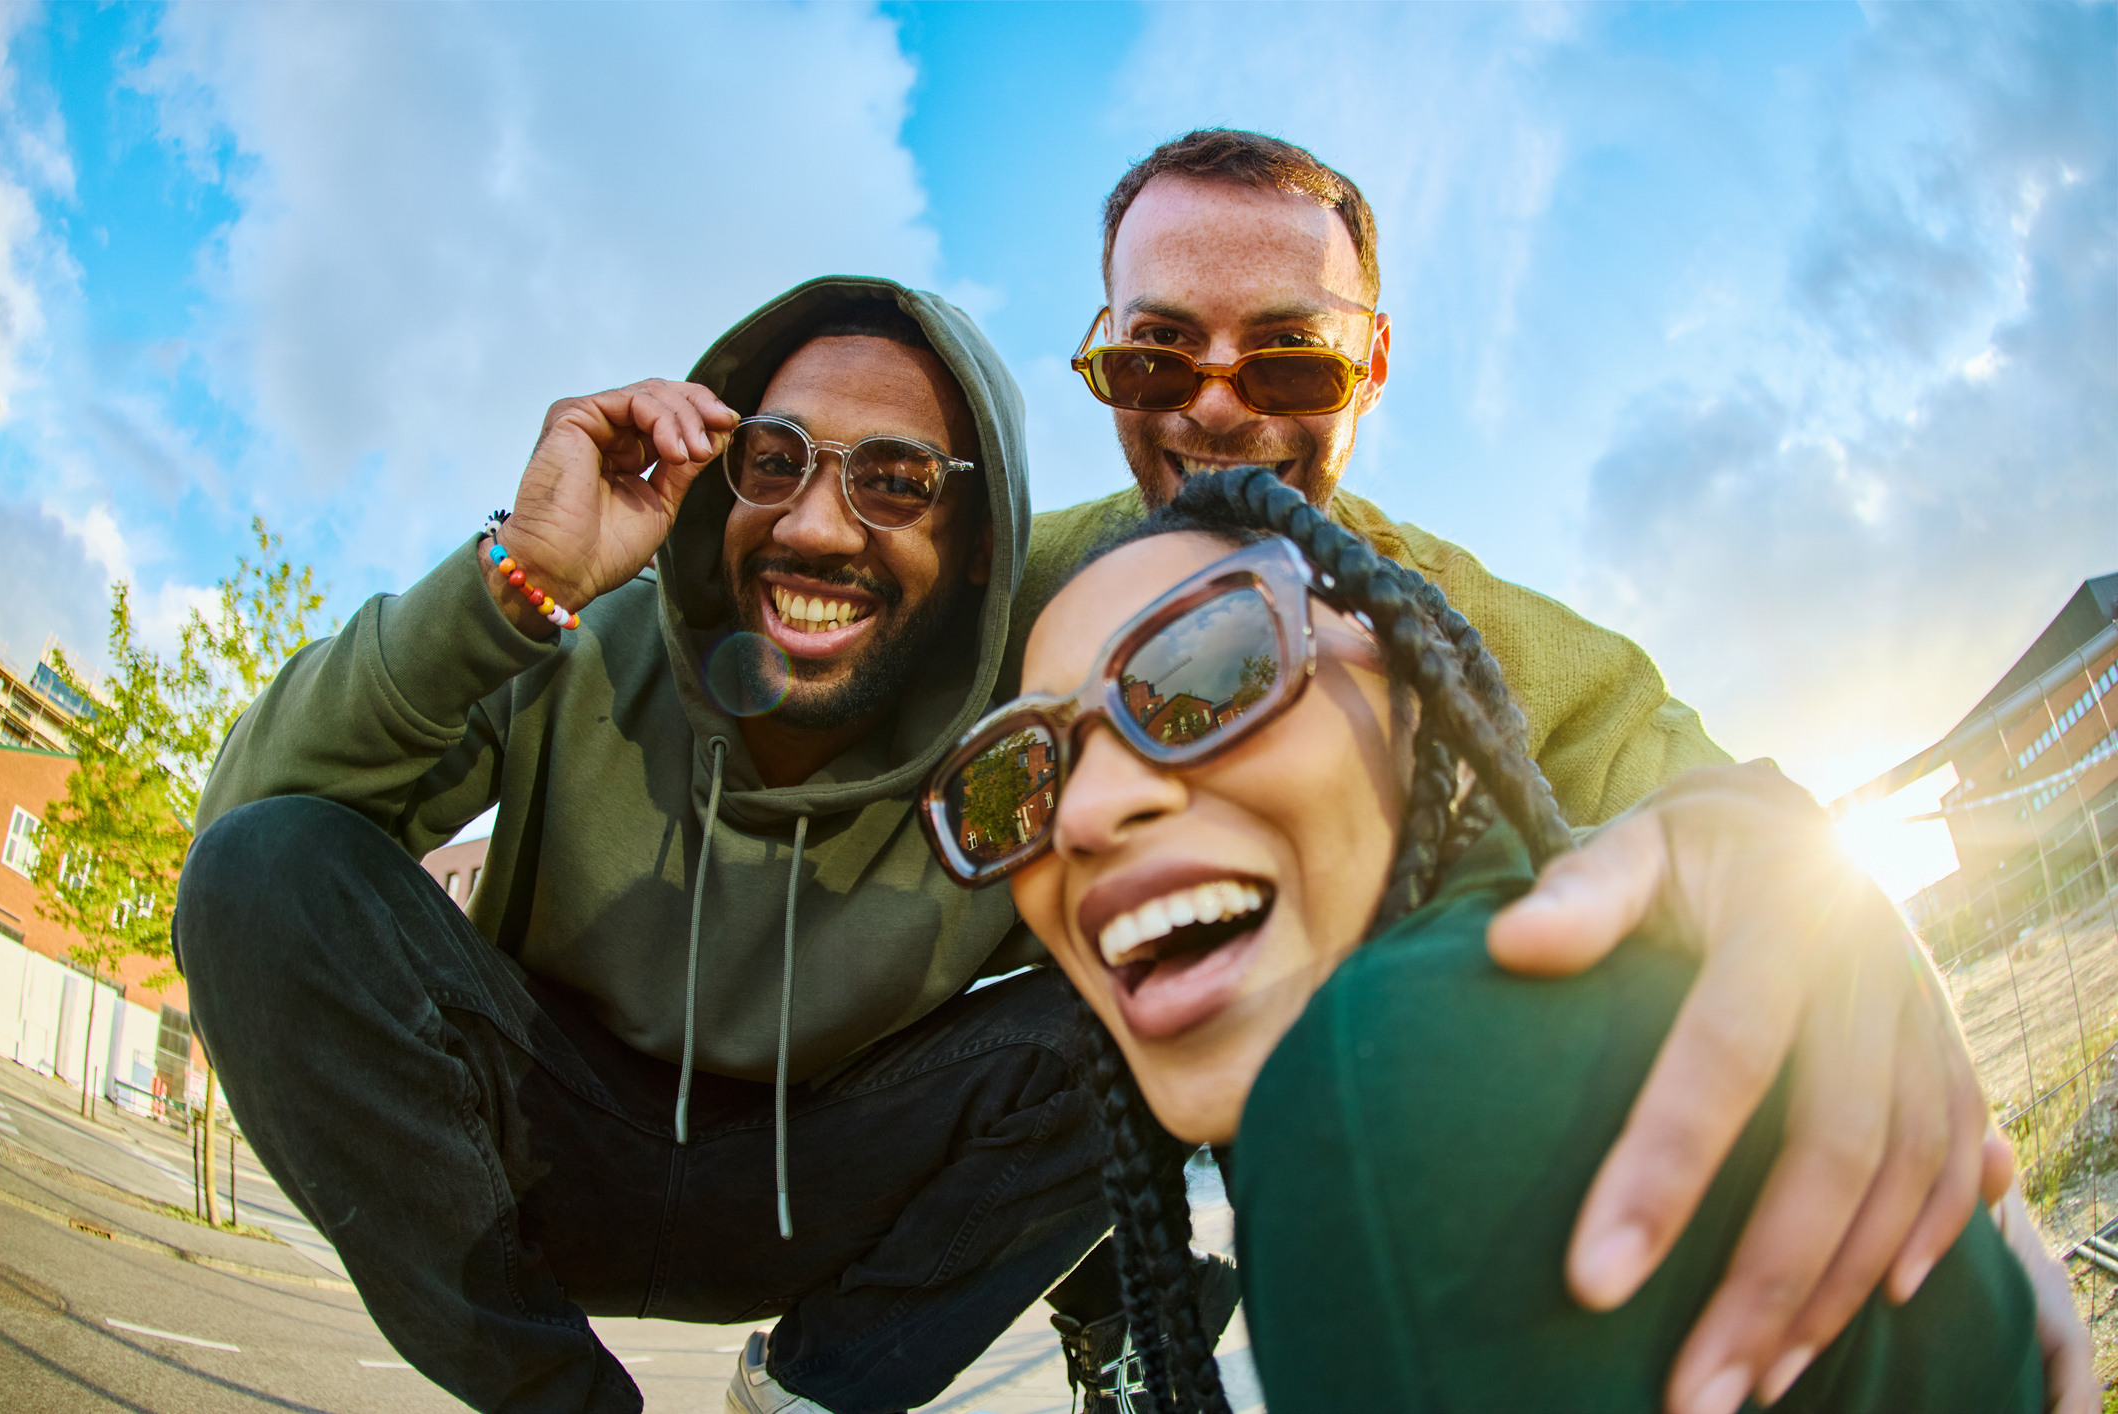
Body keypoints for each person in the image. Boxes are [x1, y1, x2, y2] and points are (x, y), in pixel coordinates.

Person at [1014, 129, 2020, 1407]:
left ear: (1369, 365)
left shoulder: (1447, 626)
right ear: (1099, 351)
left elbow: (1713, 803)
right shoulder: (1002, 587)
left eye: (1287, 355)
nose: (1214, 402)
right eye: (1154, 353)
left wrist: (1824, 928)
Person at [925, 463, 2084, 1414]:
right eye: (1019, 781)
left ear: (1413, 696)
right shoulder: (1545, 1002)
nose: (1081, 813)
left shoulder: (1375, 1089)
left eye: (1206, 671)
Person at [176, 278, 1133, 1414]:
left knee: (1147, 1002)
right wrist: (514, 587)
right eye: (774, 462)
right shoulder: (565, 634)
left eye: (896, 480)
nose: (816, 526)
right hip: (539, 1150)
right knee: (265, 870)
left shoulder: (1021, 744)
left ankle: (811, 1394)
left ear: (983, 545)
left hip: (817, 1190)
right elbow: (246, 851)